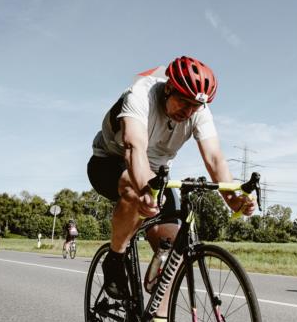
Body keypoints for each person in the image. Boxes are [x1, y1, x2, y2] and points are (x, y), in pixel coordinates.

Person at [87, 56, 255, 300]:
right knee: (134, 194)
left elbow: (215, 158)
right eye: (183, 103)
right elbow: (134, 147)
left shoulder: (199, 111)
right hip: (109, 161)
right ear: (168, 88)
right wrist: (145, 190)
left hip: (155, 173)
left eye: (194, 107)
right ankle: (115, 258)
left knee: (174, 252)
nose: (187, 112)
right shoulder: (140, 95)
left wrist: (232, 198)